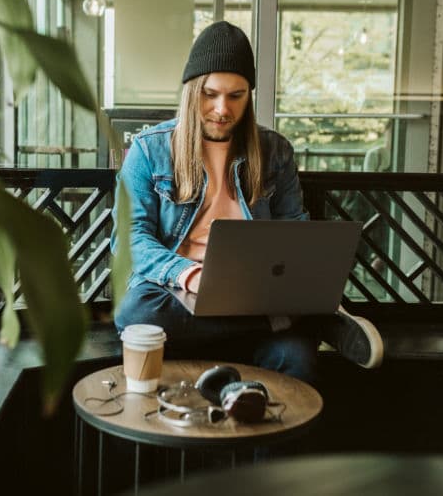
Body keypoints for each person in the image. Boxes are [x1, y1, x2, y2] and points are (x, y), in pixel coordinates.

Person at [111, 21, 383, 385]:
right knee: (135, 314)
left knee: (296, 360)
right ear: (192, 91)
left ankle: (287, 320)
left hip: (257, 296)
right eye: (210, 94)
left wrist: (293, 282)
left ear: (249, 96)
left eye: (236, 96)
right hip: (174, 291)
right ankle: (308, 319)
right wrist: (192, 275)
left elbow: (294, 232)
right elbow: (131, 239)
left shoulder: (275, 151)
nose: (222, 109)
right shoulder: (149, 150)